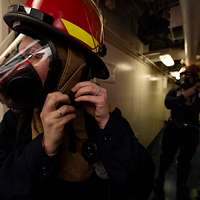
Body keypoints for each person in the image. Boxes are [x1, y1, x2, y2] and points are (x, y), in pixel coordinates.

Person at [0, 0, 155, 199]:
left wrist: (108, 127)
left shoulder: (99, 118)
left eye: (33, 55)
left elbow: (140, 185)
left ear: (70, 65)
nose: (20, 67)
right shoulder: (18, 118)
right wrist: (43, 148)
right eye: (19, 55)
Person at [154, 66, 200, 200]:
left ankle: (181, 185)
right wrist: (185, 95)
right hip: (173, 128)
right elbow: (168, 103)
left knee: (185, 161)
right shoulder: (175, 91)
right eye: (186, 75)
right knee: (166, 157)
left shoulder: (198, 93)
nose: (187, 78)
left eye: (191, 75)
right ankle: (160, 179)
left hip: (191, 131)